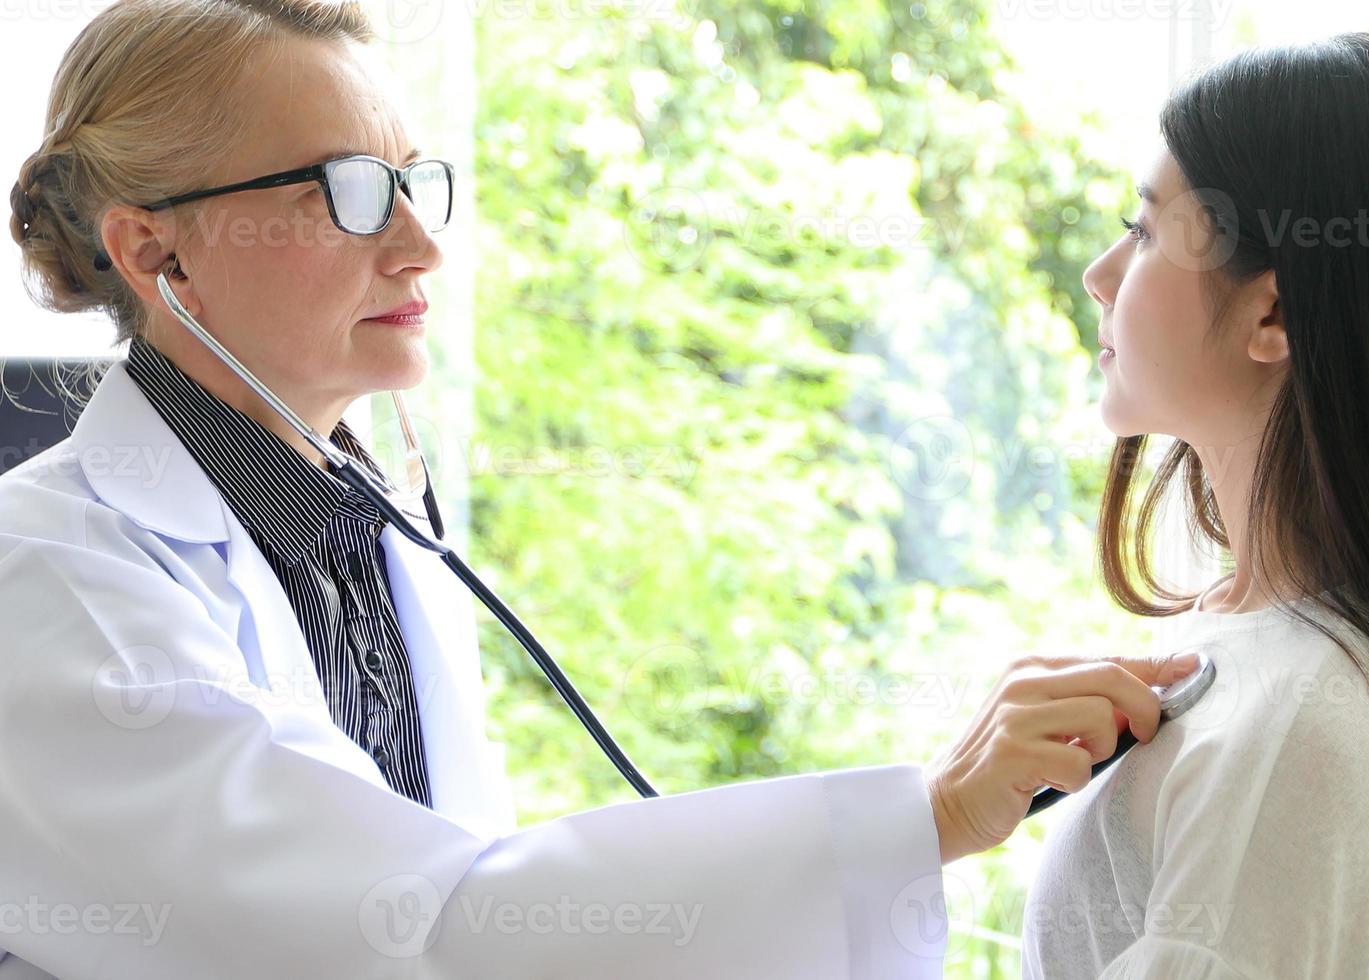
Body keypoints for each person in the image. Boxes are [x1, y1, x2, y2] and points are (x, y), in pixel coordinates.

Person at [0, 1, 1201, 976]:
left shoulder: (371, 528)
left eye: (415, 181)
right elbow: (415, 931)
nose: (420, 242)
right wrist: (926, 813)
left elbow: (504, 894)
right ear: (156, 252)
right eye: (349, 191)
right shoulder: (50, 584)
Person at [1020, 33, 1369, 979]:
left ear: (1273, 316)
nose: (1099, 273)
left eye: (1141, 231)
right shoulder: (1265, 654)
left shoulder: (1293, 734)